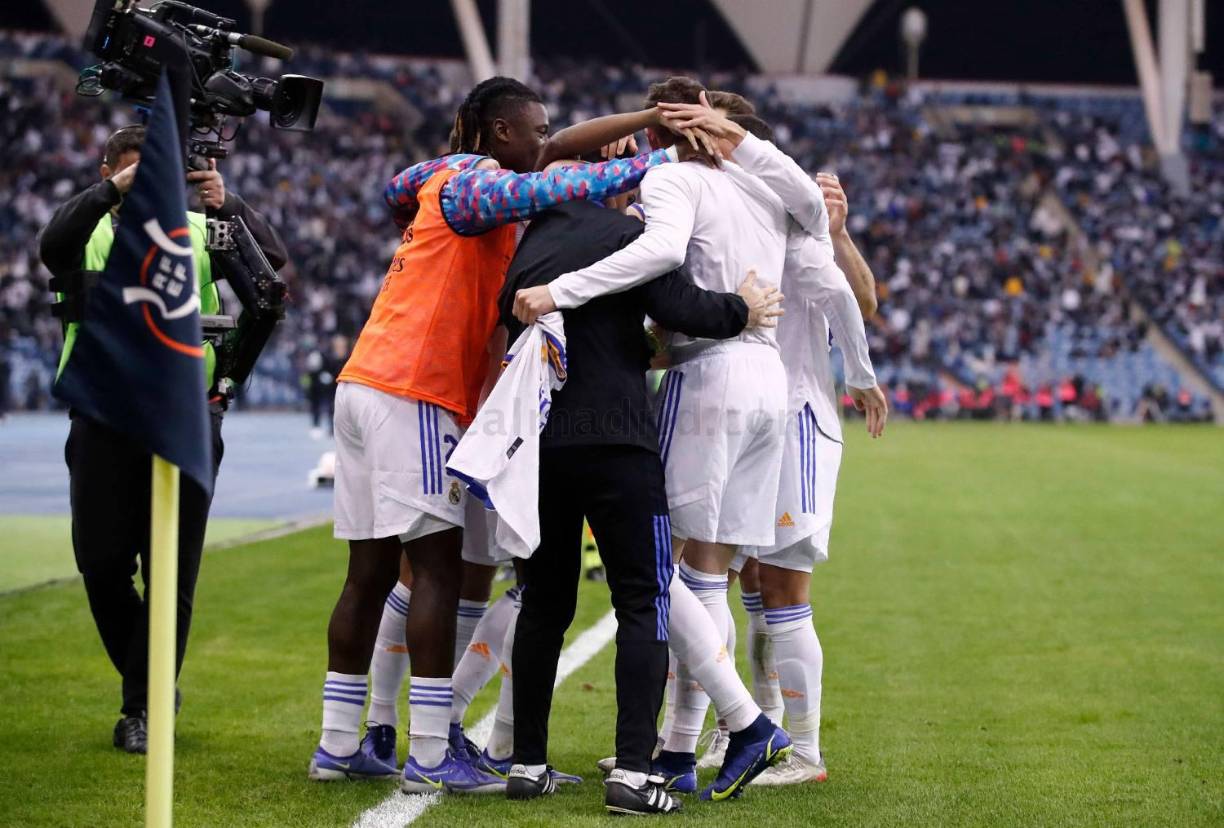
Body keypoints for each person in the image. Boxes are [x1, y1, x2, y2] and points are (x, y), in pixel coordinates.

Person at [307, 76, 709, 792]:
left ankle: (339, 744)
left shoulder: (446, 179)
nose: (546, 142)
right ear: (500, 133)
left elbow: (398, 188)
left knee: (369, 573)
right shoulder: (479, 185)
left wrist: (651, 118)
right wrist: (670, 160)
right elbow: (558, 182)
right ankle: (430, 752)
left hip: (367, 379)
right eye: (537, 130)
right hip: (416, 387)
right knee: (439, 568)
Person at [513, 76, 797, 800]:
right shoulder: (634, 235)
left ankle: (526, 762)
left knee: (546, 602)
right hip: (627, 437)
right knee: (654, 596)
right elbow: (680, 300)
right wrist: (741, 309)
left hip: (543, 437)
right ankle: (645, 766)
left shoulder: (533, 236)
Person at [38, 124, 287, 753]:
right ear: (109, 174)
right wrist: (113, 194)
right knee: (100, 565)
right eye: (135, 175)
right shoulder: (91, 229)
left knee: (171, 572)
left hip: (185, 417)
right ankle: (148, 679)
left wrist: (229, 203)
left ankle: (142, 708)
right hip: (102, 417)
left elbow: (272, 263)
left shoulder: (200, 229)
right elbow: (51, 245)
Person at [659, 96, 886, 785]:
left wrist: (861, 376)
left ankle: (803, 750)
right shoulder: (730, 211)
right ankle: (730, 733)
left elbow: (853, 299)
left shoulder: (787, 215)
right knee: (725, 582)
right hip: (751, 410)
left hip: (795, 416)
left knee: (779, 585)